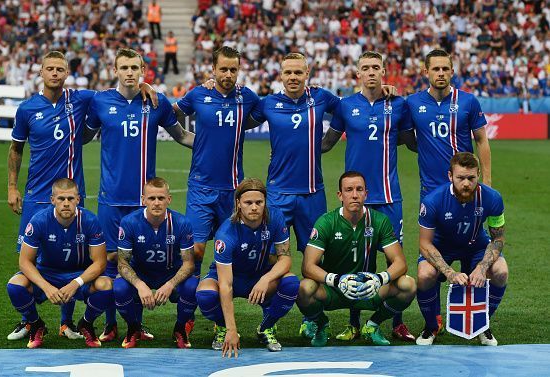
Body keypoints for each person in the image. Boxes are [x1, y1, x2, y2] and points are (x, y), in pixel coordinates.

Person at [84, 48, 194, 343]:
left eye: (135, 67)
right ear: (115, 70)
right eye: (124, 67)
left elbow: (182, 136)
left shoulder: (156, 102)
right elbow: (81, 136)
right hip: (110, 199)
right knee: (109, 263)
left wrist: (218, 145)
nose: (130, 72)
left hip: (144, 201)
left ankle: (135, 324)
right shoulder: (99, 101)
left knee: (139, 262)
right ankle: (111, 325)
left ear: (143, 70)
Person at [321, 51, 417, 342]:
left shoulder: (398, 104)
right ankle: (353, 322)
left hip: (389, 196)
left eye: (376, 67)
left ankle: (393, 321)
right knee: (358, 262)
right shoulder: (346, 106)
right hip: (356, 196)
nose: (371, 72)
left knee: (394, 262)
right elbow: (326, 143)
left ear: (384, 71)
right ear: (358, 73)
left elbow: (412, 142)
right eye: (366, 68)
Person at [7, 50, 94, 341]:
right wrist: (11, 187)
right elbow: (16, 149)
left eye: (60, 69)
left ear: (66, 73)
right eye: (50, 69)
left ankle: (66, 322)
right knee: (27, 258)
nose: (54, 73)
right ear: (41, 73)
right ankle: (30, 320)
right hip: (36, 196)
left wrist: (143, 85)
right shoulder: (27, 109)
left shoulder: (79, 100)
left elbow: (118, 92)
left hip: (69, 195)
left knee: (69, 259)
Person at [407, 48, 491, 332]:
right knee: (427, 266)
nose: (440, 73)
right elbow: (405, 137)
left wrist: (487, 183)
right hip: (432, 195)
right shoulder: (413, 103)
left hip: (467, 193)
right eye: (436, 69)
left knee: (477, 258)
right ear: (426, 72)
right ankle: (433, 323)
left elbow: (481, 140)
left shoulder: (468, 101)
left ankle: (475, 320)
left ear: (452, 71)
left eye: (445, 69)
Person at [297, 171, 416, 347]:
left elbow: (400, 263)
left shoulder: (379, 221)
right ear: (340, 195)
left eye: (359, 189)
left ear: (366, 194)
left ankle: (373, 325)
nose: (354, 195)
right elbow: (308, 266)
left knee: (408, 285)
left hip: (366, 289)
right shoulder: (326, 222)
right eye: (349, 190)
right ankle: (322, 324)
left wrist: (378, 278)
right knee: (304, 288)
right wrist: (336, 280)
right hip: (334, 289)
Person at [173, 46, 260, 278]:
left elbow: (271, 115)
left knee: (231, 249)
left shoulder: (248, 97)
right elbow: (170, 115)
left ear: (239, 70)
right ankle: (188, 308)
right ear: (213, 69)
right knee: (195, 250)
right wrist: (190, 139)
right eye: (223, 69)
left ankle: (216, 293)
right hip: (201, 186)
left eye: (233, 69)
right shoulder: (198, 94)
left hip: (233, 189)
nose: (228, 74)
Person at [195, 178, 299, 357]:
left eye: (259, 202)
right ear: (238, 204)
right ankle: (222, 327)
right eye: (248, 202)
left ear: (265, 202)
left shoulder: (275, 217)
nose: (254, 207)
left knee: (291, 283)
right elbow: (226, 285)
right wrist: (231, 329)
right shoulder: (226, 234)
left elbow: (285, 259)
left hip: (260, 274)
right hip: (231, 277)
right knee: (205, 295)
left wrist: (266, 279)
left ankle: (266, 328)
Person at [249, 52, 340, 255]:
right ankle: (282, 287)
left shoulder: (321, 97)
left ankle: (312, 287)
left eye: (298, 72)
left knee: (317, 254)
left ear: (307, 73)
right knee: (272, 253)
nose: (293, 77)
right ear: (280, 75)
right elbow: (239, 122)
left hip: (312, 192)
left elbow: (348, 110)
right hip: (278, 192)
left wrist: (327, 143)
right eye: (288, 72)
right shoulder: (268, 103)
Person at [5, 178, 113, 348]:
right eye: (61, 199)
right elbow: (24, 262)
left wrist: (75, 283)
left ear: (78, 199)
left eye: (70, 199)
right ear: (52, 200)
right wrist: (47, 287)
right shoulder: (39, 220)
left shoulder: (90, 221)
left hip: (78, 273)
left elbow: (100, 263)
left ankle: (86, 323)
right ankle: (35, 323)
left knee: (106, 284)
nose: (66, 203)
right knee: (15, 285)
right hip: (47, 273)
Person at [416, 152, 507, 346]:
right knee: (424, 274)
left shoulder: (492, 198)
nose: (466, 183)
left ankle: (482, 325)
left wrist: (482, 267)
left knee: (500, 271)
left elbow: (498, 238)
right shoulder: (433, 201)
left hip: (476, 246)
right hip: (441, 247)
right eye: (460, 178)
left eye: (471, 178)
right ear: (450, 176)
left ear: (479, 175)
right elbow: (424, 243)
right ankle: (431, 326)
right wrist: (449, 272)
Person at [114, 177, 198, 349]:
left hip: (170, 272)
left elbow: (189, 264)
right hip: (141, 273)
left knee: (193, 286)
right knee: (119, 288)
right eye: (152, 198)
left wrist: (170, 284)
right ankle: (133, 328)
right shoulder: (129, 222)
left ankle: (180, 328)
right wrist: (139, 284)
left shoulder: (182, 223)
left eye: (161, 198)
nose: (157, 203)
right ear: (143, 200)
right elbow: (122, 263)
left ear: (169, 199)